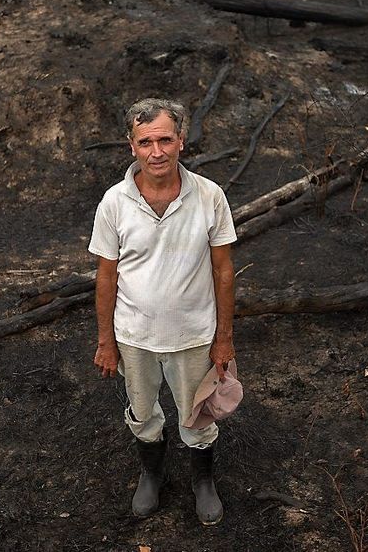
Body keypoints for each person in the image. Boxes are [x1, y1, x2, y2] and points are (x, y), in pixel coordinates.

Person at [88, 98, 237, 525]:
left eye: (165, 140)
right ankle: (151, 474)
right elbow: (106, 277)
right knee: (142, 411)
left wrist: (223, 338)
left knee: (199, 415)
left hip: (194, 335)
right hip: (134, 336)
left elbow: (223, 271)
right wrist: (106, 342)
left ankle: (202, 481)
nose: (157, 152)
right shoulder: (114, 202)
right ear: (131, 146)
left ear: (181, 142)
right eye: (145, 141)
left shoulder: (210, 196)